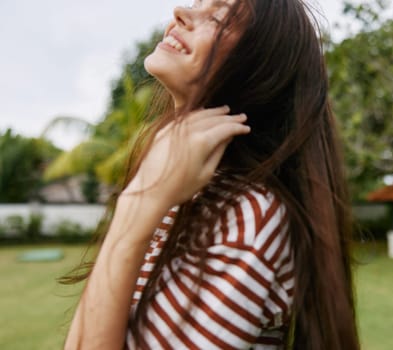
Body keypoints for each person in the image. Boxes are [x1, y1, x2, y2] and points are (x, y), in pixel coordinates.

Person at [64, 0, 360, 349]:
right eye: (195, 2)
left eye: (219, 17)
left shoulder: (248, 218)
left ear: (260, 70)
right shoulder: (179, 187)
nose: (180, 12)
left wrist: (136, 206)